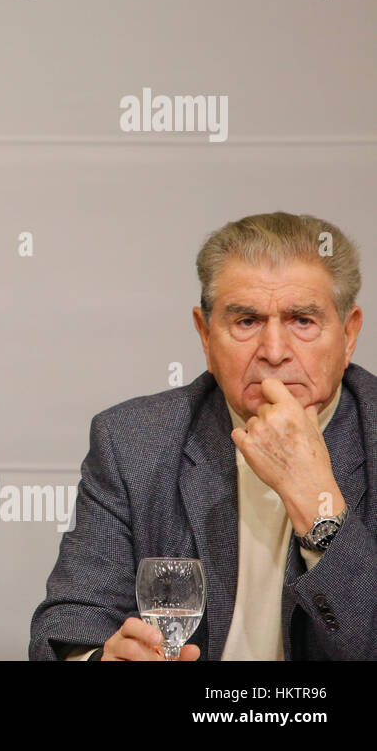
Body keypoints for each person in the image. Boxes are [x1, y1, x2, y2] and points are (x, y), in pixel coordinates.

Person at [30, 212, 377, 660]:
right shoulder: (134, 441)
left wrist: (319, 506)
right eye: (247, 321)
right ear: (204, 333)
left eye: (302, 321)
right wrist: (100, 659)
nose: (273, 352)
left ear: (348, 335)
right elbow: (67, 626)